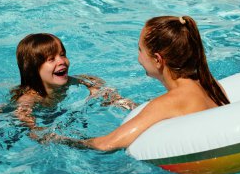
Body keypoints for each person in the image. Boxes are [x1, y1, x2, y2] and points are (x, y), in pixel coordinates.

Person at [48, 15, 230, 150]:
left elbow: (106, 144)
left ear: (158, 60)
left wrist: (57, 139)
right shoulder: (209, 83)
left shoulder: (170, 102)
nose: (139, 58)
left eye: (140, 50)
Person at [10, 33, 137, 130]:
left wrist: (107, 96)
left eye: (62, 54)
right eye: (51, 59)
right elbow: (28, 124)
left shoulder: (72, 81)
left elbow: (94, 81)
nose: (61, 61)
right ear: (33, 70)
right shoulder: (29, 99)